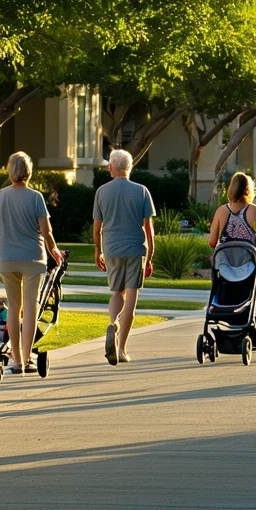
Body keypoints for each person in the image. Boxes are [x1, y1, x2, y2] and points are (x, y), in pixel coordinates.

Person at [0, 151, 63, 375]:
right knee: (30, 309)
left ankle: (16, 360)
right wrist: (54, 250)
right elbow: (46, 231)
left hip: (7, 260)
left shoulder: (0, 197)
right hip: (33, 260)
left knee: (14, 309)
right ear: (28, 171)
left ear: (10, 171)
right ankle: (26, 359)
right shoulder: (35, 197)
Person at [92, 148, 156, 366]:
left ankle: (113, 324)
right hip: (135, 249)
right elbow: (149, 226)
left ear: (112, 167)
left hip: (111, 248)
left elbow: (97, 226)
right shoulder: (141, 191)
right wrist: (151, 253)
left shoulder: (101, 192)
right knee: (131, 299)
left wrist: (97, 249)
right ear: (129, 167)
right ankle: (122, 350)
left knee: (116, 293)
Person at [208, 172, 256, 262]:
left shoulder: (220, 211)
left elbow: (212, 242)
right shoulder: (255, 210)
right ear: (249, 190)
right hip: (248, 262)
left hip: (226, 262)